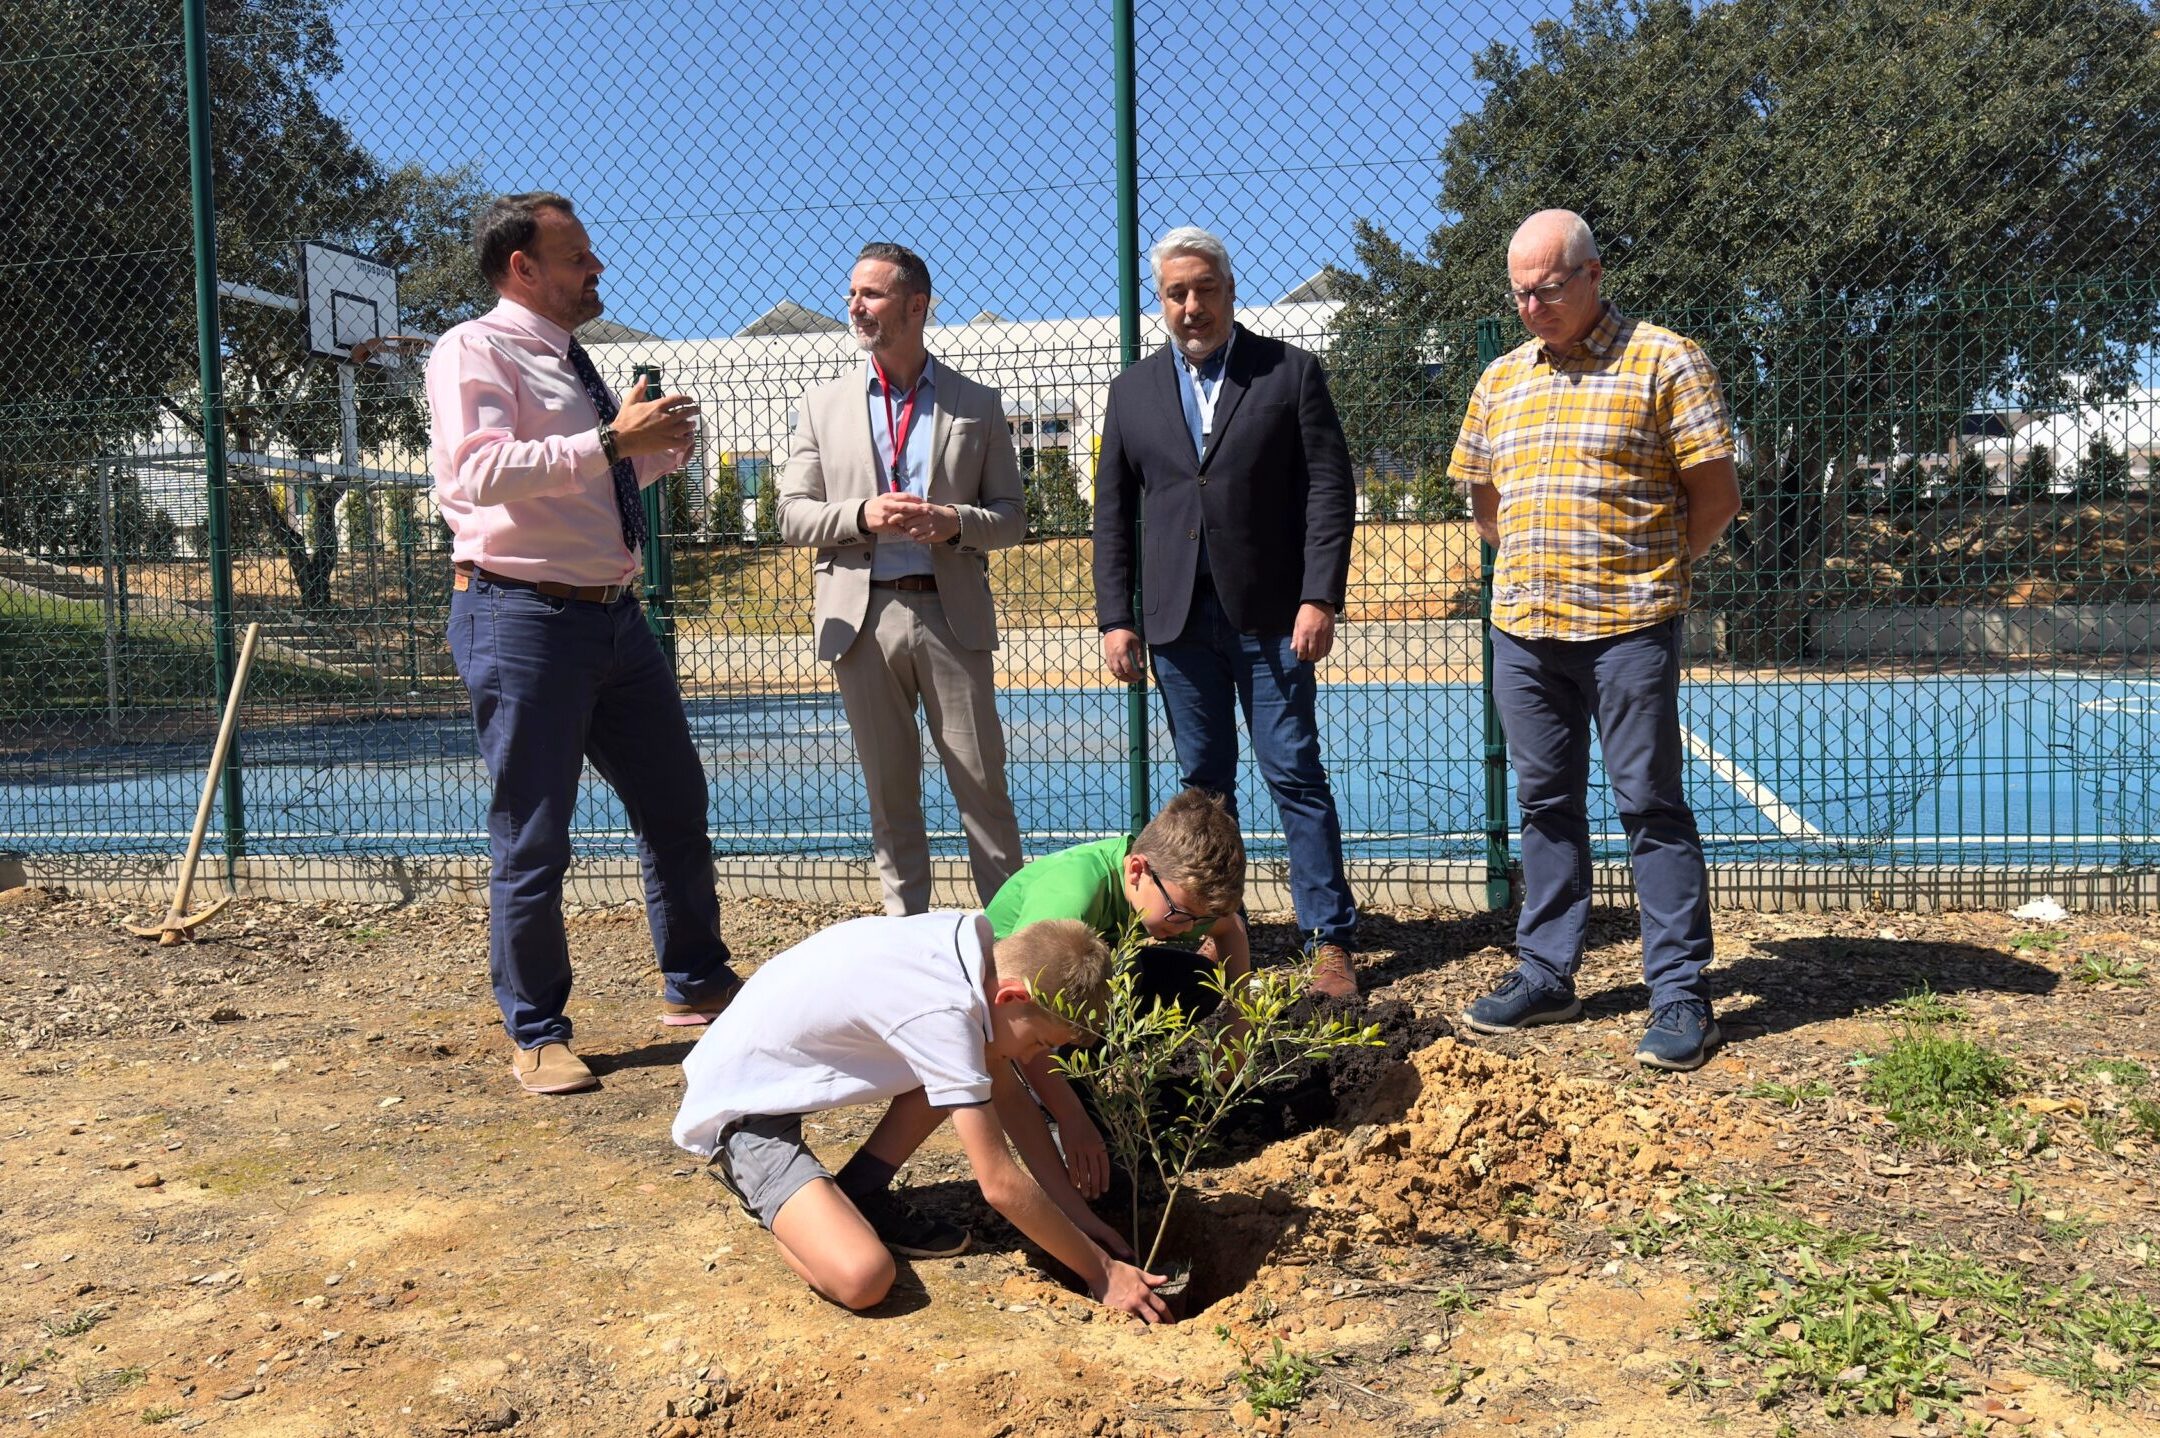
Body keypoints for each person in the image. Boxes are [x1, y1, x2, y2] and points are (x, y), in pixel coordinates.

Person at [427, 191, 741, 1095]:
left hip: (613, 617)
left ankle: (697, 981)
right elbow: (479, 474)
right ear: (522, 267)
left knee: (675, 801)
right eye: (577, 257)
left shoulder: (571, 359)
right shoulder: (473, 349)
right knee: (534, 833)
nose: (596, 268)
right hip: (520, 614)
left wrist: (656, 450)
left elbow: (588, 480)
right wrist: (610, 440)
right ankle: (537, 1032)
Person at [1447, 209, 1743, 1072]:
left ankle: (1680, 993)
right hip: (1523, 631)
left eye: (1546, 289)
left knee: (1649, 805)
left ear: (1593, 275)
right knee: (1545, 805)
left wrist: (1648, 572)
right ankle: (1548, 975)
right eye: (1518, 293)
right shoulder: (1501, 377)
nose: (1530, 306)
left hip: (1629, 629)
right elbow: (1487, 504)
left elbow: (1716, 496)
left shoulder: (1665, 360)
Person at [1091, 226, 1362, 999]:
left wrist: (1319, 595)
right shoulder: (1132, 392)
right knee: (1204, 789)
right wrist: (1116, 617)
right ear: (1161, 301)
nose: (1192, 306)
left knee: (1294, 773)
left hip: (1272, 618)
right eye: (1176, 293)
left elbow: (1329, 490)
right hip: (1176, 624)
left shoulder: (1289, 373)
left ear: (1230, 291)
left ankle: (1329, 942)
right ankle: (1220, 932)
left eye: (1204, 289)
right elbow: (1112, 514)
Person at [672, 913, 1169, 1321]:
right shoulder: (944, 1013)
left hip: (776, 1071)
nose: (1033, 1058)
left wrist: (1079, 1220)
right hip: (742, 1110)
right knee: (864, 1277)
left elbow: (1012, 1103)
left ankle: (857, 1194)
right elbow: (998, 1183)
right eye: (1039, 1043)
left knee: (976, 1065)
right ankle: (778, 1208)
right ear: (1013, 997)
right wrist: (1102, 1272)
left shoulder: (974, 955)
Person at [778, 243, 1027, 916]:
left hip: (952, 617)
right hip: (861, 622)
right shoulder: (823, 405)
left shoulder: (977, 404)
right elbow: (791, 515)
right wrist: (860, 514)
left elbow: (1012, 518)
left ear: (916, 306)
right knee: (890, 796)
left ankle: (1013, 942)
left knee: (983, 790)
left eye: (871, 294)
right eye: (851, 294)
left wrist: (953, 522)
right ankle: (906, 939)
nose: (854, 306)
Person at [984, 787, 1250, 1198]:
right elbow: (1027, 1013)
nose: (1188, 928)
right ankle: (1052, 1103)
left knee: (1196, 983)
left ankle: (1090, 1087)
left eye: (1198, 919)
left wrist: (1239, 1024)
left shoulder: (1171, 891)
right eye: (1181, 915)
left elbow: (1229, 928)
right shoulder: (1072, 897)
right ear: (1137, 870)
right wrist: (1072, 1117)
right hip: (1011, 1021)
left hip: (1079, 997)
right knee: (1121, 978)